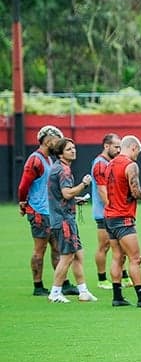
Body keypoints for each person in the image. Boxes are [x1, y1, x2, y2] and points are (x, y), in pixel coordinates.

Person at [18, 125, 76, 297]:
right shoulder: (35, 160)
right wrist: (23, 203)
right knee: (39, 249)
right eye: (58, 141)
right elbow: (23, 185)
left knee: (58, 248)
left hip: (52, 212)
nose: (60, 145)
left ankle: (63, 283)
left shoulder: (50, 160)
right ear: (49, 140)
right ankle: (38, 286)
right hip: (39, 211)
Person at [104, 135, 141, 308]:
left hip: (110, 216)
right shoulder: (130, 165)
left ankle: (117, 296)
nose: (137, 156)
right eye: (138, 152)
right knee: (136, 258)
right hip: (123, 218)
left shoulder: (110, 164)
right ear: (133, 147)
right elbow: (134, 192)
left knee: (117, 257)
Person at [45, 138, 97, 303]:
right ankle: (55, 293)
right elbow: (67, 193)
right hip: (63, 220)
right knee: (67, 257)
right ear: (60, 153)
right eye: (69, 149)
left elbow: (62, 196)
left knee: (78, 255)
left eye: (74, 148)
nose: (73, 151)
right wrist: (83, 184)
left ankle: (83, 291)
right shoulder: (64, 170)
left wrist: (76, 199)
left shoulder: (59, 168)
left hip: (63, 217)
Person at [91, 133, 130, 290]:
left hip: (113, 212)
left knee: (121, 246)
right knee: (104, 246)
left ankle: (124, 276)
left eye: (120, 147)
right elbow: (102, 191)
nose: (119, 150)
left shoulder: (111, 162)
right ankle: (101, 279)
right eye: (116, 147)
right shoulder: (100, 164)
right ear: (106, 146)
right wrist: (113, 209)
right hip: (104, 213)